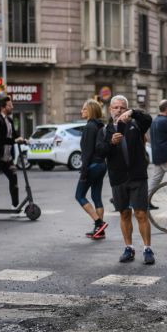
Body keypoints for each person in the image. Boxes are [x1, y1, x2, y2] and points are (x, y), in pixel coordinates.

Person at [102, 95, 155, 264]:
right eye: (116, 107)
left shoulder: (136, 124)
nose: (119, 110)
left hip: (137, 176)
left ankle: (148, 249)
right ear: (110, 110)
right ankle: (129, 248)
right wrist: (111, 142)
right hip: (118, 177)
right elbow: (100, 152)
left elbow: (148, 118)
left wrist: (133, 112)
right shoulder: (105, 130)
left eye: (122, 108)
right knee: (124, 213)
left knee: (141, 213)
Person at [75, 99, 108, 239]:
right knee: (96, 197)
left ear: (91, 111)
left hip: (92, 166)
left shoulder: (89, 127)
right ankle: (100, 231)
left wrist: (83, 172)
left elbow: (87, 152)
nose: (81, 111)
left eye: (84, 109)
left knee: (79, 195)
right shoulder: (100, 126)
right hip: (101, 165)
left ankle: (99, 223)